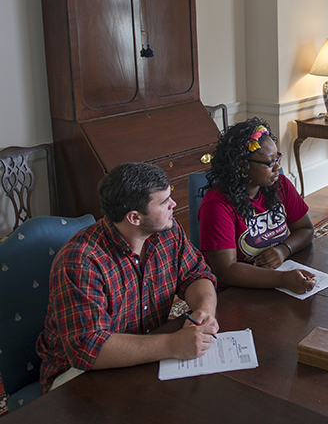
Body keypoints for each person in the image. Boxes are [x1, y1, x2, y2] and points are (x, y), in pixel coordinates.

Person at [36, 163, 218, 393]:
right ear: (134, 217)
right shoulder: (81, 261)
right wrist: (172, 344)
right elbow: (88, 347)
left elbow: (196, 274)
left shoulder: (167, 232)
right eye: (164, 202)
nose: (174, 204)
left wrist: (205, 311)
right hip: (77, 372)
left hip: (146, 351)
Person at [198, 117, 316, 294]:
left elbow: (306, 229)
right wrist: (283, 279)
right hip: (235, 293)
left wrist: (283, 250)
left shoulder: (279, 184)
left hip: (276, 279)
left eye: (277, 158)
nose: (277, 167)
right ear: (242, 166)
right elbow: (226, 271)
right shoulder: (216, 205)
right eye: (269, 162)